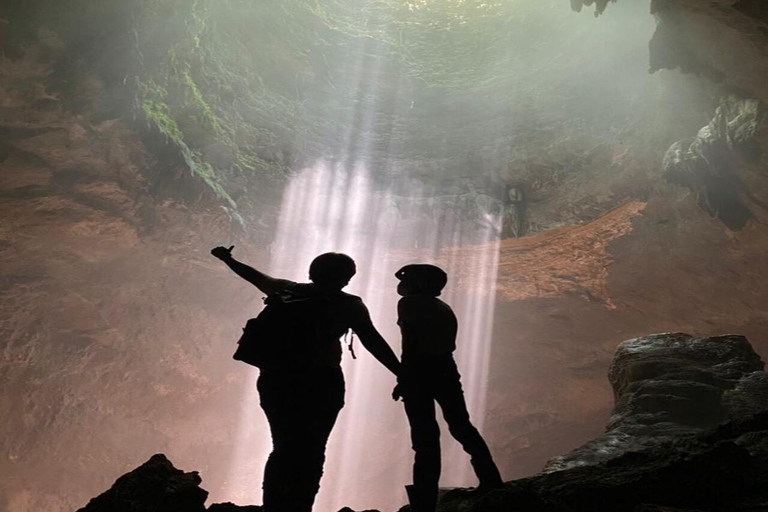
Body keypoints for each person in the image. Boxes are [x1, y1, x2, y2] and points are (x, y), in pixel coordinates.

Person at [211, 246, 401, 512]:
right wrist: (402, 374)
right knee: (313, 449)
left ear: (312, 272)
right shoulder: (349, 305)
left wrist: (228, 259)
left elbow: (253, 276)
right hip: (323, 382)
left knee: (282, 446)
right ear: (347, 277)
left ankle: (274, 506)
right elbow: (373, 342)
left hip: (277, 380)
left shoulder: (286, 290)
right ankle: (301, 505)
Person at [392, 264, 503, 512]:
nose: (402, 284)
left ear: (418, 284)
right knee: (461, 425)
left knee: (424, 437)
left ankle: (425, 500)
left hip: (421, 370)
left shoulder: (409, 304)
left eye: (407, 280)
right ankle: (491, 479)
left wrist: (404, 378)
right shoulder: (443, 307)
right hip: (446, 369)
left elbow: (409, 344)